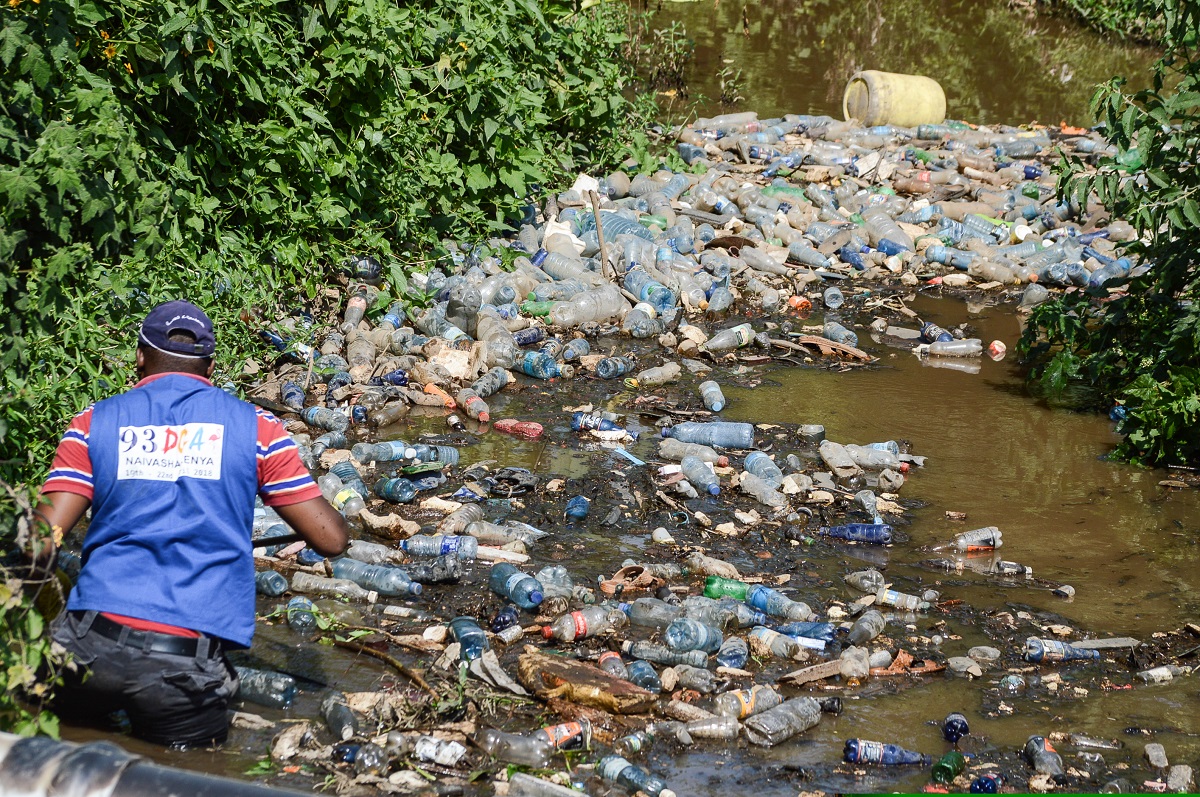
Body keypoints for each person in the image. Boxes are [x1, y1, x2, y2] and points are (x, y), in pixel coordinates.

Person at [36, 299, 349, 748]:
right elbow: (330, 539)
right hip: (182, 666)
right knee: (189, 773)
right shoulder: (259, 430)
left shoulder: (92, 423)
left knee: (59, 758)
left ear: (140, 356)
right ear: (211, 366)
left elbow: (42, 541)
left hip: (89, 648)